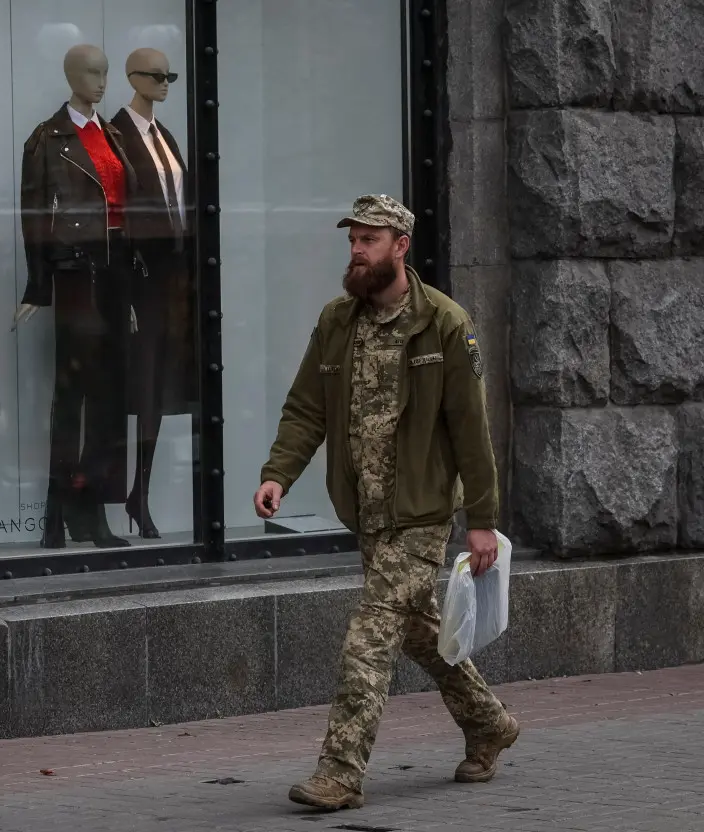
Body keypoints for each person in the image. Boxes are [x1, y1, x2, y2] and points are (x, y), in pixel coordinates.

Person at [254, 194, 519, 812]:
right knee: (421, 632)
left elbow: (471, 431)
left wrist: (481, 520)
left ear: (400, 247)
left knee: (370, 635)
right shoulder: (336, 322)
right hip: (367, 512)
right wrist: (278, 473)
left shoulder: (445, 324)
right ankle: (489, 723)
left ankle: (340, 774)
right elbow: (306, 409)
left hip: (423, 511)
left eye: (369, 240)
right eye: (352, 239)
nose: (356, 250)